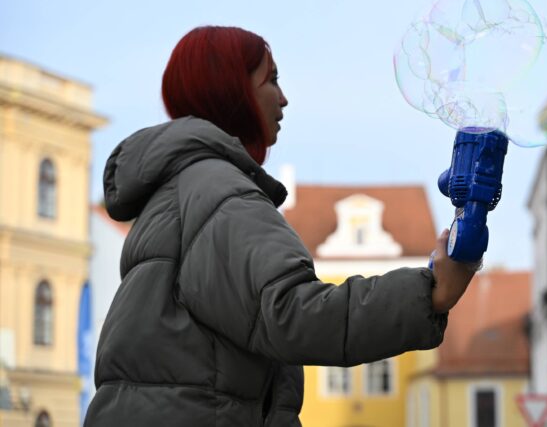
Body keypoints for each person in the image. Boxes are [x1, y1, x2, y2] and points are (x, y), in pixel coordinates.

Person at [84, 26, 476, 427]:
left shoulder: (176, 191)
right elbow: (291, 313)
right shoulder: (218, 190)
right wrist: (431, 294)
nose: (284, 98)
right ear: (231, 90)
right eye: (270, 79)